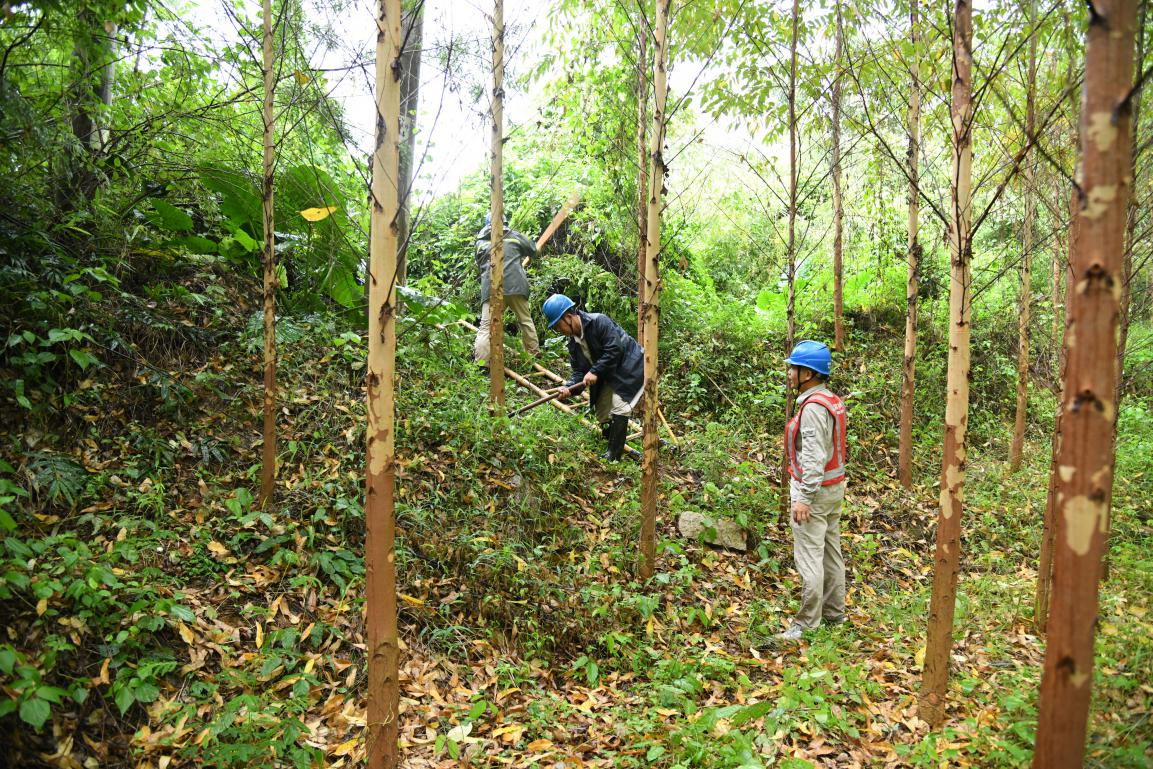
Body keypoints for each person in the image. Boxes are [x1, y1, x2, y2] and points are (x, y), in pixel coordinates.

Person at [777, 340, 849, 642]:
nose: (790, 373)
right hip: (833, 490)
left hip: (815, 494)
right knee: (831, 555)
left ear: (808, 373)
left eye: (794, 368)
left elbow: (814, 458)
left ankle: (808, 624)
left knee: (810, 558)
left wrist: (804, 498)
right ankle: (834, 616)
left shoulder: (813, 409)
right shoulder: (829, 399)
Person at [542, 293, 644, 461]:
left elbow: (614, 349)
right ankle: (616, 445)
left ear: (568, 317)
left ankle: (614, 455)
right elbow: (579, 373)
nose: (559, 331)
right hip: (607, 374)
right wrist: (568, 388)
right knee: (603, 415)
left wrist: (594, 371)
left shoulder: (599, 321)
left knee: (620, 406)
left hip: (630, 367)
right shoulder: (573, 344)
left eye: (558, 326)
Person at [474, 213, 539, 368]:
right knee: (525, 321)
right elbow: (533, 249)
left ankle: (482, 363)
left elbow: (480, 264)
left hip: (492, 289)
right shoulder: (514, 236)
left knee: (486, 326)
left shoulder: (480, 243)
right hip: (516, 286)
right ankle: (533, 356)